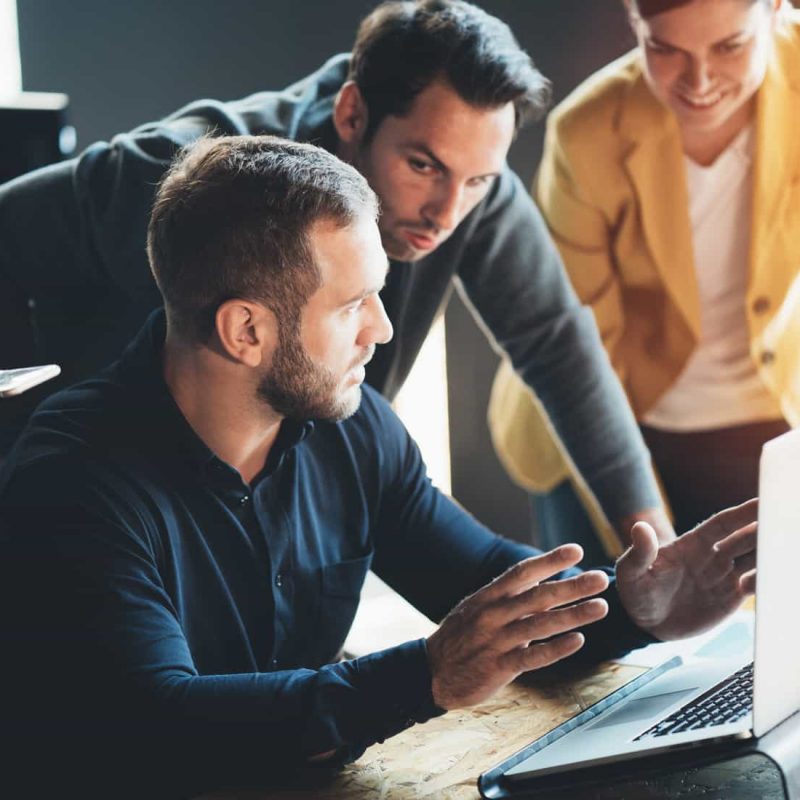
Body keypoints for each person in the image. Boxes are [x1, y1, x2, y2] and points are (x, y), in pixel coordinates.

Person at [0, 135, 757, 800]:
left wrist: (633, 606)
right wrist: (424, 676)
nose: (383, 329)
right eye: (352, 304)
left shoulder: (353, 431)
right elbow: (166, 726)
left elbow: (489, 590)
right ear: (245, 330)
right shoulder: (74, 486)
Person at [0, 0, 676, 547]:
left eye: (476, 180)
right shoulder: (186, 177)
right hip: (101, 503)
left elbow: (557, 345)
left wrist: (654, 545)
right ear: (352, 114)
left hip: (268, 507)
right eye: (422, 165)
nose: (448, 212)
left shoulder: (468, 190)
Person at [491, 0, 799, 562]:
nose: (699, 82)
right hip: (608, 420)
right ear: (634, 23)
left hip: (769, 417)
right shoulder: (588, 132)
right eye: (666, 49)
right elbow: (577, 346)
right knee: (614, 629)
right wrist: (645, 529)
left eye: (729, 46)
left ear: (778, 9)